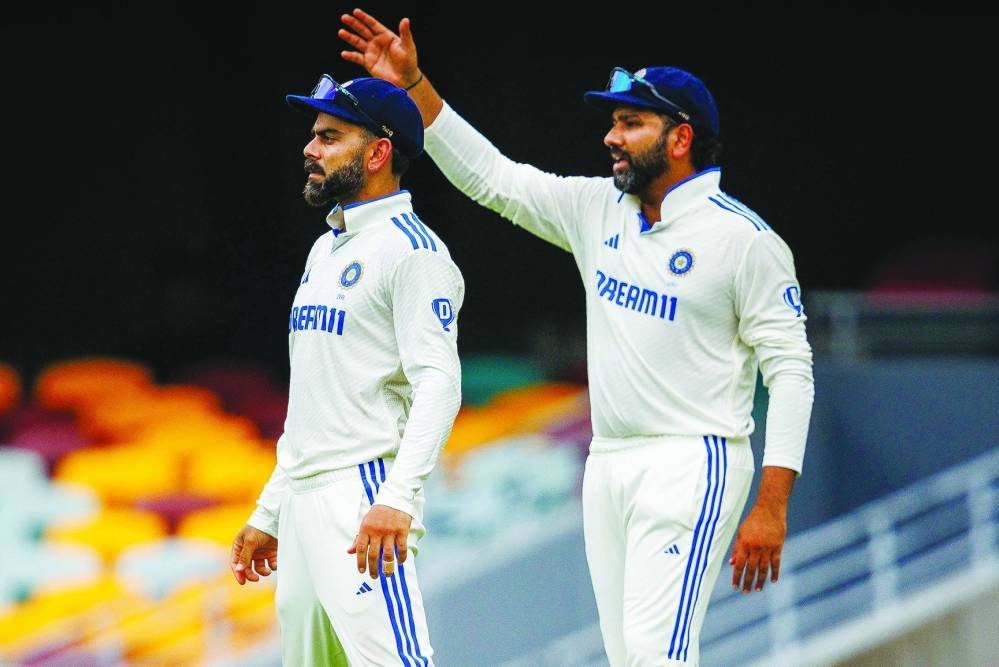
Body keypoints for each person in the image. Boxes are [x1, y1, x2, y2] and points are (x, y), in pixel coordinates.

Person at [337, 9, 815, 667]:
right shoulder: (598, 210)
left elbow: (791, 370)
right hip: (608, 462)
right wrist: (416, 88)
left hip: (692, 461)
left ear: (680, 139)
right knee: (631, 658)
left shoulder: (746, 241)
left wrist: (772, 502)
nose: (611, 137)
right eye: (614, 122)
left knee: (656, 657)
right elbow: (493, 179)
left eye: (630, 122)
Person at [229, 72, 465, 667]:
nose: (310, 149)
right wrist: (272, 508)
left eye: (330, 136)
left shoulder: (414, 252)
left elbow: (440, 382)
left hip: (363, 494)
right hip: (306, 499)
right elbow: (312, 403)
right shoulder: (324, 249)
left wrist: (399, 498)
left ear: (379, 152)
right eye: (314, 136)